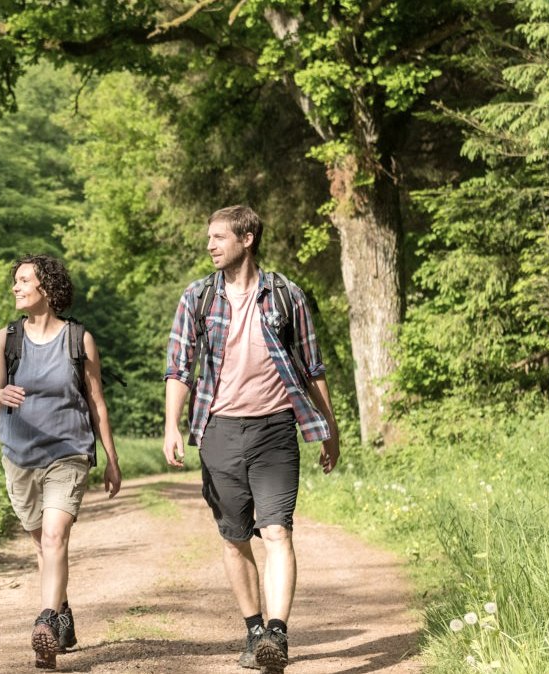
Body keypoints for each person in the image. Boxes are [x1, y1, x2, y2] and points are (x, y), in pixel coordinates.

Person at [160, 206, 341, 673]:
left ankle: (277, 633)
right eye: (209, 238)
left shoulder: (286, 295)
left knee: (277, 530)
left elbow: (312, 366)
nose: (210, 245)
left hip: (275, 428)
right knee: (235, 537)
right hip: (218, 429)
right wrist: (171, 425)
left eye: (219, 237)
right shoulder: (197, 297)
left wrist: (329, 426)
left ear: (247, 237)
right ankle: (254, 629)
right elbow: (179, 368)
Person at [0, 254, 122, 670]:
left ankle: (44, 622)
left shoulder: (78, 339)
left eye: (24, 280)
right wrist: (0, 396)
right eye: (15, 281)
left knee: (54, 536)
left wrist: (112, 460)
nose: (16, 287)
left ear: (47, 287)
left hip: (68, 451)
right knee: (42, 544)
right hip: (19, 455)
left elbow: (97, 402)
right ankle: (61, 611)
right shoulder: (4, 339)